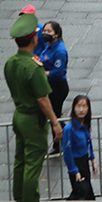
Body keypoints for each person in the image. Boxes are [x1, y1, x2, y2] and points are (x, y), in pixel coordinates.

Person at [5, 12, 62, 202]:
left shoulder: (11, 63)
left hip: (18, 115)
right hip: (32, 119)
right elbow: (43, 99)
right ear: (34, 39)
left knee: (20, 162)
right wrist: (55, 122)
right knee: (32, 165)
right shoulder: (34, 67)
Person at [35, 20, 69, 151]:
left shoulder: (60, 51)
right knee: (52, 114)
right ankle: (65, 132)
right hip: (50, 86)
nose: (45, 33)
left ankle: (58, 145)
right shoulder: (49, 45)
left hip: (57, 87)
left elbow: (58, 72)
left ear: (57, 34)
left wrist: (44, 73)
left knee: (54, 115)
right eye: (44, 31)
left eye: (49, 31)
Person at [62, 94, 98, 201]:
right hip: (76, 163)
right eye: (78, 106)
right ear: (74, 108)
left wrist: (93, 159)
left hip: (84, 161)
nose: (81, 109)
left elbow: (88, 141)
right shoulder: (69, 129)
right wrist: (74, 170)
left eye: (84, 106)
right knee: (83, 193)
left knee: (85, 193)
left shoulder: (85, 125)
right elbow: (67, 152)